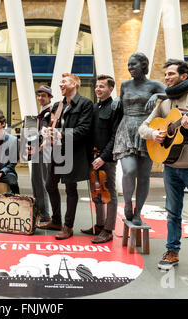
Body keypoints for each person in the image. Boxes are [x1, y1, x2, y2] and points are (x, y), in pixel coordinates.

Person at [139, 59, 188, 282]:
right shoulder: (165, 102)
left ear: (184, 76)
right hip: (170, 167)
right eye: (165, 75)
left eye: (171, 74)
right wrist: (154, 135)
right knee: (172, 214)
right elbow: (143, 126)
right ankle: (172, 251)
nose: (166, 78)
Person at [112, 52, 166, 226]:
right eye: (128, 65)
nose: (130, 68)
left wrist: (157, 96)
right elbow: (123, 101)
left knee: (144, 175)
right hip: (126, 129)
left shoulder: (155, 85)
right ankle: (127, 203)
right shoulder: (125, 85)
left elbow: (172, 96)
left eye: (133, 65)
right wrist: (117, 100)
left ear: (143, 65)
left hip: (146, 130)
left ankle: (138, 212)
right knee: (129, 170)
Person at [38, 73, 93, 240]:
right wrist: (46, 130)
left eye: (64, 81)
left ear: (75, 84)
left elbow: (84, 129)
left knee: (70, 189)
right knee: (50, 185)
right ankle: (56, 220)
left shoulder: (85, 104)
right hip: (57, 151)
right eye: (60, 82)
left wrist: (59, 133)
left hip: (73, 152)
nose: (60, 84)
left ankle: (68, 226)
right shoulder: (57, 105)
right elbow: (51, 124)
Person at [80, 75, 122, 243]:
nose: (98, 89)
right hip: (93, 157)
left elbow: (116, 136)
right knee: (96, 191)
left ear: (111, 89)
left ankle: (108, 229)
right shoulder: (94, 107)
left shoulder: (115, 107)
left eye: (102, 86)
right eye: (97, 86)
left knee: (109, 194)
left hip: (107, 159)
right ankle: (99, 225)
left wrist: (103, 157)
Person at [30, 85, 53, 223]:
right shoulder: (41, 112)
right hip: (37, 150)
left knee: (41, 182)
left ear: (50, 97)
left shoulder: (50, 112)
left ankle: (45, 213)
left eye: (43, 95)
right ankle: (39, 210)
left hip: (44, 150)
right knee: (35, 181)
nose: (40, 98)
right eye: (38, 95)